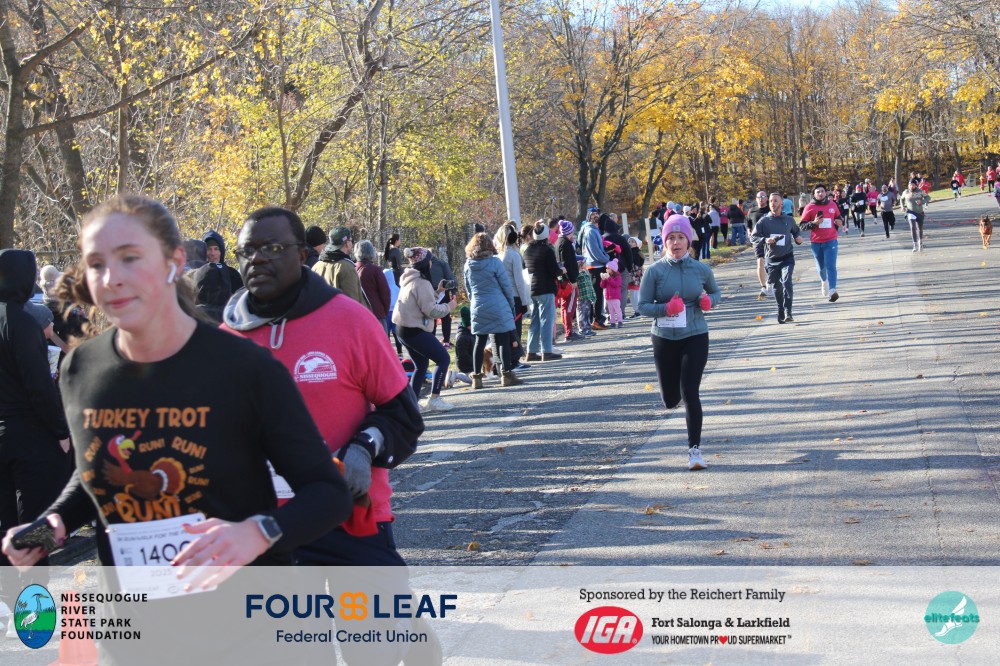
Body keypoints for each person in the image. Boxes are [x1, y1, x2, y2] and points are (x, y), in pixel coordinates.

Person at [2, 196, 353, 663]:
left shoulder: (244, 368)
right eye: (97, 264)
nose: (112, 278)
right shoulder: (82, 367)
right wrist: (52, 526)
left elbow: (328, 493)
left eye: (130, 257)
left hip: (249, 636)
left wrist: (258, 532)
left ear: (174, 262)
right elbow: (96, 478)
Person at [222, 206, 434, 666]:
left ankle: (406, 631)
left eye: (271, 248)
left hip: (351, 518)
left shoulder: (349, 321)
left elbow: (403, 416)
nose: (257, 259)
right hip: (267, 532)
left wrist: (364, 447)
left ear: (302, 254)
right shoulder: (222, 342)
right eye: (246, 251)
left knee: (372, 653)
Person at [0, 250, 72, 622]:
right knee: (36, 523)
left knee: (3, 524)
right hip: (29, 436)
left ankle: (5, 603)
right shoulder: (23, 323)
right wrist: (61, 431)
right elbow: (39, 387)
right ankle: (33, 607)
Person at [637, 215, 720, 471]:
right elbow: (642, 306)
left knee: (690, 392)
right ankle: (672, 397)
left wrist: (709, 302)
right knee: (671, 398)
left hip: (695, 334)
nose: (676, 242)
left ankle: (694, 450)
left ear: (688, 241)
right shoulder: (654, 271)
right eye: (671, 238)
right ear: (664, 242)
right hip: (664, 338)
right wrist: (665, 309)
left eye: (681, 237)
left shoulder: (701, 269)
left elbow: (715, 293)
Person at [393, 247, 457, 411]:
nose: (431, 263)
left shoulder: (409, 278)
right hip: (414, 329)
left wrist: (438, 292)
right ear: (425, 264)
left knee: (421, 365)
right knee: (443, 359)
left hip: (402, 329)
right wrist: (449, 306)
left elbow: (422, 301)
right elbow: (431, 311)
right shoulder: (422, 283)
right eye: (430, 260)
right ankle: (434, 399)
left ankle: (412, 403)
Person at [463, 233, 521, 388]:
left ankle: (476, 378)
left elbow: (468, 289)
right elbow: (506, 286)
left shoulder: (468, 265)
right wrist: (511, 305)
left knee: (479, 341)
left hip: (478, 305)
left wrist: (474, 303)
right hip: (498, 305)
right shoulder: (495, 262)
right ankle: (506, 375)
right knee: (502, 340)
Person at [750, 193, 804, 323]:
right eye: (770, 201)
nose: (772, 203)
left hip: (787, 257)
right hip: (772, 260)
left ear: (781, 203)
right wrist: (765, 240)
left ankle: (788, 311)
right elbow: (753, 237)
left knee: (786, 281)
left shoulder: (789, 219)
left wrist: (798, 238)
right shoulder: (764, 221)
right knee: (776, 287)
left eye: (775, 201)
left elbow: (796, 231)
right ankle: (780, 309)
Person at [522, 221, 563, 361]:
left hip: (532, 289)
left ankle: (531, 351)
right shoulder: (547, 250)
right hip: (545, 288)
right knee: (546, 320)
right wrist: (562, 270)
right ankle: (546, 351)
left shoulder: (527, 250)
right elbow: (554, 270)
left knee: (535, 321)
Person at [494, 223, 531, 369]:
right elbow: (519, 282)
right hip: (515, 296)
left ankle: (506, 360)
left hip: (501, 297)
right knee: (516, 328)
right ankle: (514, 360)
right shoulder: (514, 255)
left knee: (506, 330)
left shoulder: (498, 256)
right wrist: (525, 301)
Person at [800, 184, 844, 301]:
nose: (820, 193)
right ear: (814, 194)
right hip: (816, 242)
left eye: (822, 191)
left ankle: (832, 290)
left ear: (826, 193)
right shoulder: (809, 207)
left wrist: (840, 221)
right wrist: (814, 223)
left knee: (831, 265)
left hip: (831, 240)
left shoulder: (832, 204)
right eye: (818, 192)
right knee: (821, 267)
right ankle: (824, 281)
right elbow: (802, 226)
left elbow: (839, 217)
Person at [313, 226, 371, 310]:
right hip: (342, 316)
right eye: (351, 240)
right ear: (346, 243)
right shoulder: (346, 267)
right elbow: (352, 303)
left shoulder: (317, 266)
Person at [580, 209, 610, 329]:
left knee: (597, 293)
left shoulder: (593, 229)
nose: (595, 216)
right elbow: (595, 251)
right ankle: (596, 320)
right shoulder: (590, 231)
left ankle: (596, 318)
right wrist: (606, 259)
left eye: (597, 214)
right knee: (596, 294)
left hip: (595, 264)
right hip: (594, 265)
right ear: (589, 217)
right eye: (593, 215)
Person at [355, 239, 391, 333]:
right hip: (376, 313)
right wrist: (384, 311)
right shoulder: (375, 270)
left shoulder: (352, 269)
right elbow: (385, 293)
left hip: (359, 313)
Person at [554, 219, 581, 342]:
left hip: (562, 279)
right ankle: (569, 332)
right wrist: (573, 279)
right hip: (569, 281)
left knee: (565, 306)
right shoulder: (566, 244)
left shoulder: (557, 242)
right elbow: (568, 264)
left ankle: (568, 330)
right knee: (569, 306)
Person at [427, 249, 456, 349]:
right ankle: (446, 341)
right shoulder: (442, 263)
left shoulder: (423, 265)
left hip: (430, 292)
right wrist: (454, 293)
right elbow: (450, 278)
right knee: (445, 317)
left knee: (432, 317)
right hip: (443, 292)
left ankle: (432, 341)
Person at [747, 191, 771, 300]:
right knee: (760, 261)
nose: (761, 199)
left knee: (770, 263)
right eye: (758, 197)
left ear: (767, 198)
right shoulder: (752, 211)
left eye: (763, 196)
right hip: (757, 240)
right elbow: (749, 224)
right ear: (756, 199)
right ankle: (763, 287)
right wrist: (749, 232)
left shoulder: (771, 210)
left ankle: (771, 282)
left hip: (770, 240)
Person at [899, 178, 931, 252]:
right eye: (910, 185)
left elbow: (928, 197)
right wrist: (902, 206)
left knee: (920, 229)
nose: (911, 186)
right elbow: (901, 199)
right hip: (910, 212)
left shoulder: (920, 191)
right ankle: (914, 244)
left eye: (913, 185)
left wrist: (922, 201)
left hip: (920, 212)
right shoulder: (906, 192)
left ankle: (920, 242)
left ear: (916, 185)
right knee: (913, 227)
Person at [575, 255, 596, 337]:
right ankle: (582, 330)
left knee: (587, 313)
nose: (586, 264)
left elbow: (590, 285)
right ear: (580, 264)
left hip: (588, 297)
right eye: (584, 263)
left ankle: (588, 328)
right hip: (581, 297)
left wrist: (593, 295)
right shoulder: (577, 274)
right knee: (581, 314)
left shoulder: (585, 273)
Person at [600, 259, 624, 328]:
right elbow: (602, 286)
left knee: (617, 310)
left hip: (615, 296)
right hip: (608, 296)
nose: (606, 269)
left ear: (613, 269)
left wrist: (609, 278)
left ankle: (620, 321)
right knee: (611, 311)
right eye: (606, 268)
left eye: (608, 268)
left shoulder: (618, 277)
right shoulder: (608, 276)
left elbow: (615, 284)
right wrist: (603, 279)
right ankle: (612, 322)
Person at [627, 237, 644, 317]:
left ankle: (638, 311)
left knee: (634, 294)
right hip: (633, 276)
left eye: (633, 242)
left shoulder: (636, 253)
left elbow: (637, 265)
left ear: (637, 244)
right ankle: (637, 311)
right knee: (633, 294)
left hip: (635, 276)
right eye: (629, 241)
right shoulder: (630, 252)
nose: (630, 243)